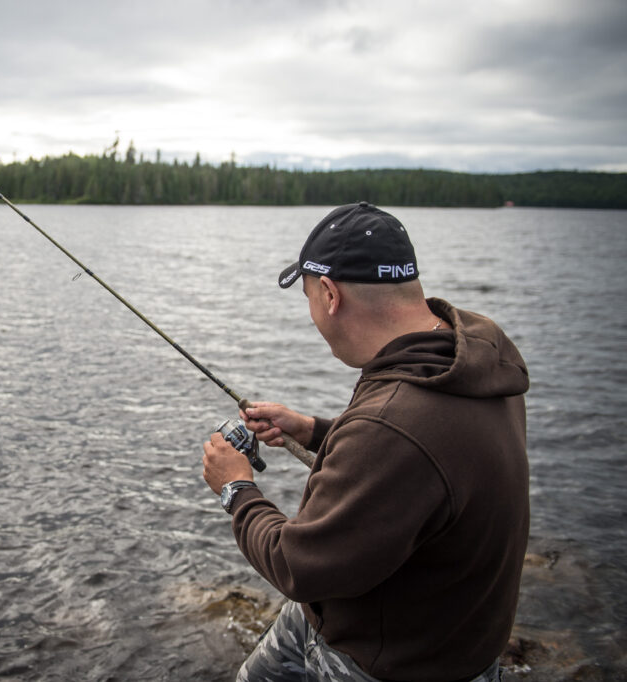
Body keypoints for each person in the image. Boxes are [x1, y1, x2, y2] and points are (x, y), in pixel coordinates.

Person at [202, 202, 530, 682]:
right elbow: (421, 461)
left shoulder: (393, 425)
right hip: (435, 634)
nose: (313, 314)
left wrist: (236, 488)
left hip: (389, 662)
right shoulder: (470, 358)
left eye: (310, 297)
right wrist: (311, 428)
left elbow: (298, 566)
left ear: (330, 294)